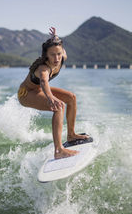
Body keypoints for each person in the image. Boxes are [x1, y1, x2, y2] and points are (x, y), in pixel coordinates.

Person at [18, 27, 88, 159]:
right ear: (46, 55)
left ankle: (71, 135)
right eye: (52, 55)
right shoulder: (43, 68)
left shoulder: (61, 57)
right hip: (26, 94)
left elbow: (60, 49)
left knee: (71, 98)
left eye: (59, 54)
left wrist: (55, 37)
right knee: (59, 106)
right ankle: (58, 150)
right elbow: (44, 82)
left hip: (38, 90)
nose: (56, 58)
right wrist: (50, 97)